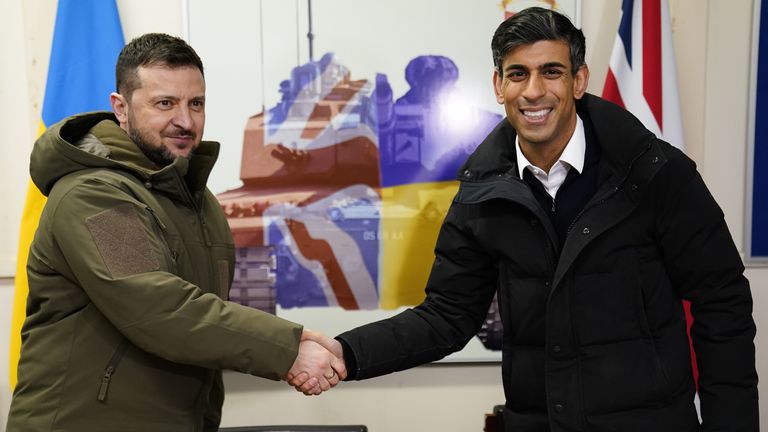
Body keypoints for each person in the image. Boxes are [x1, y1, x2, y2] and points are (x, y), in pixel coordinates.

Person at [295, 7, 759, 432]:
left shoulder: (654, 173)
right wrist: (347, 353)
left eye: (551, 72)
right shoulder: (480, 192)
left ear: (579, 81)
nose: (533, 91)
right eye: (518, 74)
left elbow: (722, 301)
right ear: (499, 86)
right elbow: (447, 317)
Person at [7, 33, 342, 432]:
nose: (185, 121)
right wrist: (289, 349)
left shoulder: (199, 202)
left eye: (195, 103)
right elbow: (161, 309)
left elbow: (203, 316)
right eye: (165, 103)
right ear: (122, 108)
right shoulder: (93, 195)